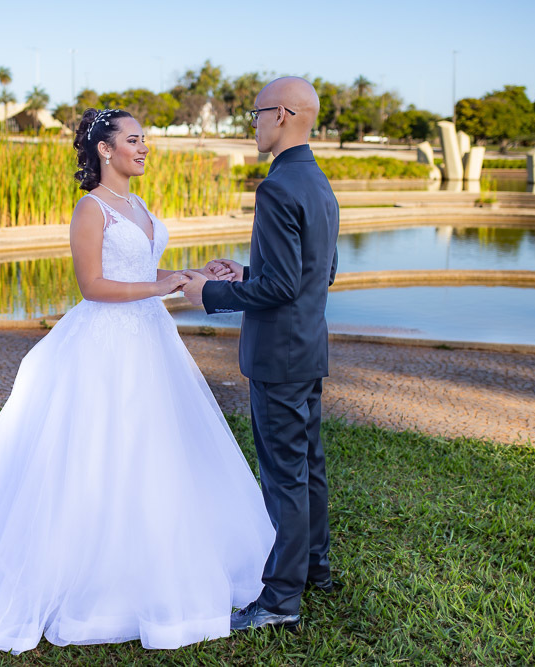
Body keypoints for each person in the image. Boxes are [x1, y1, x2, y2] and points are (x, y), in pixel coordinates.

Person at [0, 108, 274, 656]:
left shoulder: (139, 205)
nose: (144, 148)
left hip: (151, 339)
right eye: (134, 139)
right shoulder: (90, 208)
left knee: (158, 449)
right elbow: (95, 286)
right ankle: (90, 575)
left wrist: (195, 275)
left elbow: (147, 276)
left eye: (146, 139)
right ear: (104, 149)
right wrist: (165, 283)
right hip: (105, 344)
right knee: (99, 449)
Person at [182, 77, 340, 632]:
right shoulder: (317, 182)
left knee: (284, 478)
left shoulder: (277, 187)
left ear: (282, 115)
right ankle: (316, 568)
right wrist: (247, 272)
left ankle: (279, 601)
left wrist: (212, 294)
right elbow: (317, 274)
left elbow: (281, 288)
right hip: (308, 347)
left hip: (279, 356)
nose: (251, 123)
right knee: (308, 466)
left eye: (254, 114)